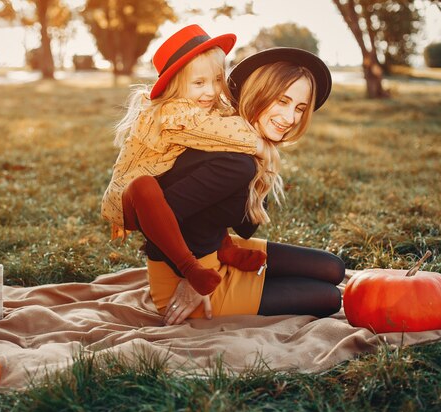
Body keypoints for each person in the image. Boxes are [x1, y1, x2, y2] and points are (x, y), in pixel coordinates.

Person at [141, 47, 346, 325]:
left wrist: (266, 164)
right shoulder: (235, 161)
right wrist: (192, 277)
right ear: (258, 94)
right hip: (187, 282)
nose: (290, 118)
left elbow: (245, 226)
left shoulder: (245, 146)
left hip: (217, 255)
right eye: (281, 101)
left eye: (299, 108)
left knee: (333, 268)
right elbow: (152, 217)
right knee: (329, 298)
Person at [101, 25, 267, 297]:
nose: (212, 91)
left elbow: (219, 133)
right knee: (145, 185)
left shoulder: (202, 107)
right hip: (132, 199)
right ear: (175, 85)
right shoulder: (172, 113)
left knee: (214, 164)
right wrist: (261, 142)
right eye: (199, 83)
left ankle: (222, 245)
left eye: (216, 80)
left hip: (165, 185)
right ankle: (189, 266)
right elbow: (224, 133)